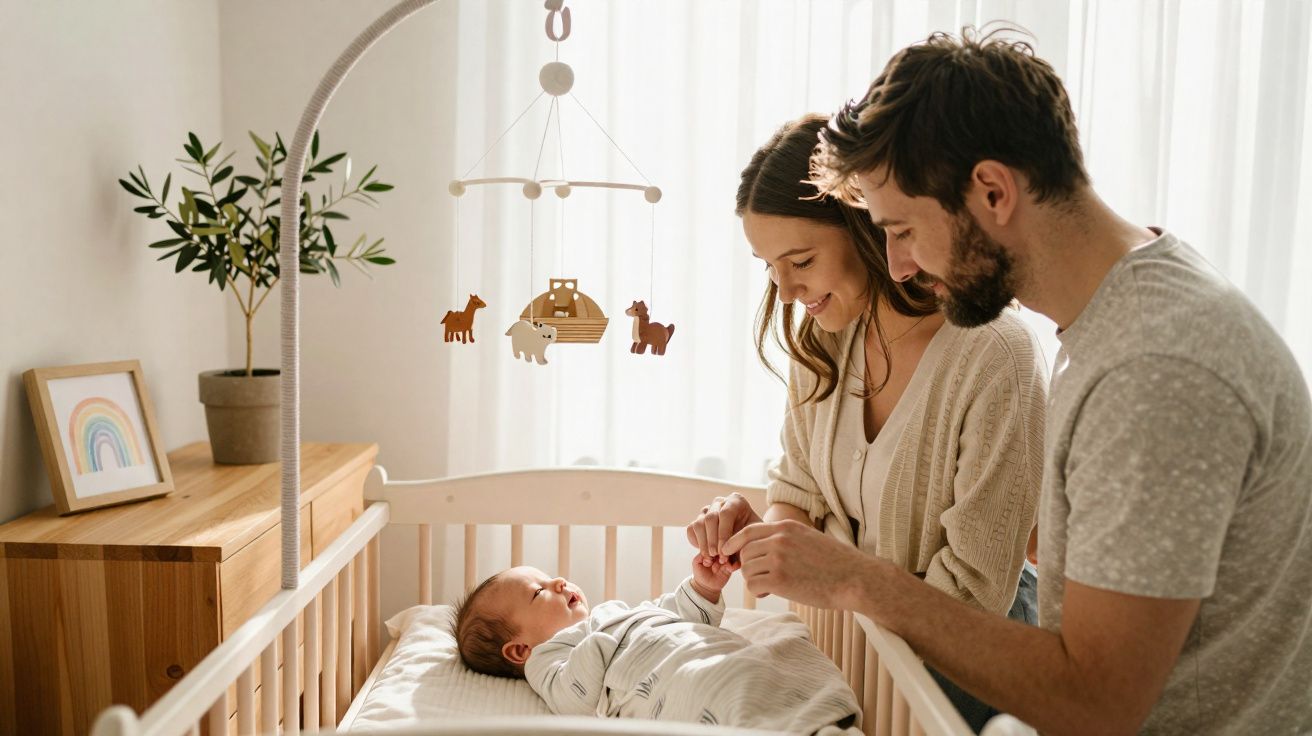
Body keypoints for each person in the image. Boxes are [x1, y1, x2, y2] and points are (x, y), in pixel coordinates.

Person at [722, 28, 1312, 735]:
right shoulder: (1115, 321)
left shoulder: (1152, 369)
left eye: (903, 230)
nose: (899, 267)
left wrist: (853, 579)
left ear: (993, 192)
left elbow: (1095, 702)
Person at [687, 113, 1047, 730]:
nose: (786, 287)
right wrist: (765, 537)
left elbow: (973, 591)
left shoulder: (996, 357)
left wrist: (839, 578)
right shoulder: (826, 341)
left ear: (866, 228)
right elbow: (797, 493)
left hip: (965, 673)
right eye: (768, 265)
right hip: (863, 658)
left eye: (800, 259)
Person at [452, 560, 860, 733]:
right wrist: (605, 638)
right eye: (538, 593)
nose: (559, 582)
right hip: (687, 686)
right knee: (730, 696)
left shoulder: (614, 613)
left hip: (719, 657)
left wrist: (704, 587)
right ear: (518, 650)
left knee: (761, 673)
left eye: (550, 577)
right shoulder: (549, 657)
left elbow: (674, 613)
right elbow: (574, 698)